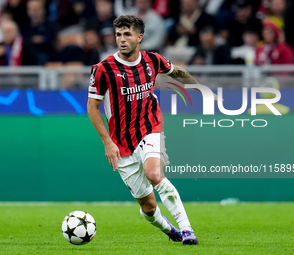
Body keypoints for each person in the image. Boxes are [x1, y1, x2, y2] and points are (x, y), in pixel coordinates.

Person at [87, 15, 217, 245]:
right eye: (118, 34)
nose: (122, 39)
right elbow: (92, 107)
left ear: (140, 37)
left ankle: (187, 230)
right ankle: (169, 229)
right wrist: (107, 142)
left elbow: (176, 72)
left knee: (154, 174)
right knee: (148, 207)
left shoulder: (152, 60)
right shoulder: (103, 69)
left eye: (127, 34)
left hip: (150, 127)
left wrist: (201, 89)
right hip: (121, 144)